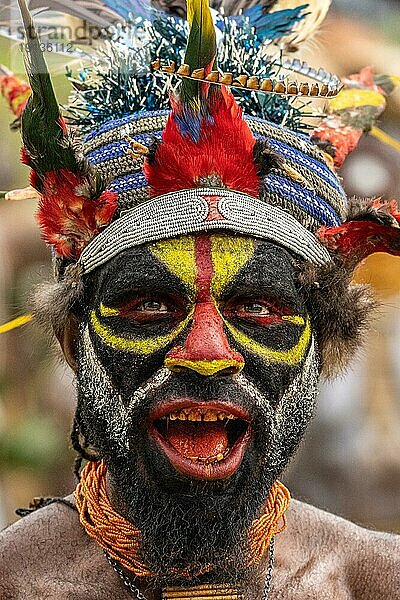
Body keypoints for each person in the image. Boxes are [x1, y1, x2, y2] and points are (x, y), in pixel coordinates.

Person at [0, 0, 399, 598]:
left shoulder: (375, 583)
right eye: (150, 307)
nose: (207, 353)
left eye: (258, 309)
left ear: (325, 342)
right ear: (70, 339)